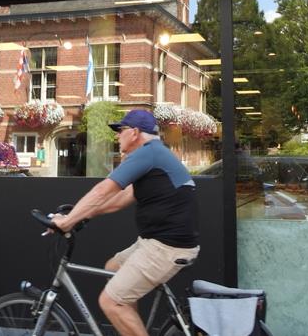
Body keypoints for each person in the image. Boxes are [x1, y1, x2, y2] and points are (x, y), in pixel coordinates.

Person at [52, 109, 199, 336]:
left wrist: (68, 221)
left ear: (135, 133)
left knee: (111, 302)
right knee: (113, 268)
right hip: (156, 242)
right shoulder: (155, 154)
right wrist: (82, 215)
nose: (117, 136)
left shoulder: (147, 153)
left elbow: (103, 191)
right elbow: (119, 199)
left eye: (120, 131)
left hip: (166, 246)